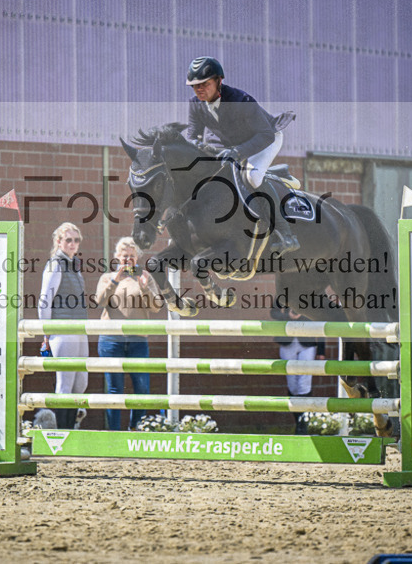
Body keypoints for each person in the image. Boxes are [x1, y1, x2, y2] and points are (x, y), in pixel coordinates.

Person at [184, 55, 299, 256]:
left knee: (252, 177)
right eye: (195, 86)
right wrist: (198, 147)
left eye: (205, 84)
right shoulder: (195, 104)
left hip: (265, 138)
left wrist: (237, 153)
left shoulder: (240, 100)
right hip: (231, 144)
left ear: (219, 81)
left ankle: (285, 234)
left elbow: (265, 135)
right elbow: (192, 136)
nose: (199, 89)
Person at [94, 237, 163, 430]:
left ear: (138, 257)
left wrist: (143, 287)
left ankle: (135, 429)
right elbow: (100, 301)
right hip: (111, 340)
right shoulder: (107, 277)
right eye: (124, 256)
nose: (128, 259)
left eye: (132, 256)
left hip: (137, 340)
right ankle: (114, 433)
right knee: (114, 388)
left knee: (141, 387)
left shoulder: (145, 277)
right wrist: (116, 280)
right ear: (117, 257)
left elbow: (156, 306)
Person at [38, 222, 89, 430]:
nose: (73, 244)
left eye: (76, 240)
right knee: (65, 384)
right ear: (58, 242)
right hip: (63, 330)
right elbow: (44, 301)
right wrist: (47, 334)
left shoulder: (73, 265)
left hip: (79, 329)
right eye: (68, 240)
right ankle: (62, 434)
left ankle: (72, 429)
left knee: (81, 384)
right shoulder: (55, 264)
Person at [272, 306, 325, 434]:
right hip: (287, 342)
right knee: (293, 385)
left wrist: (321, 349)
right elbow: (273, 312)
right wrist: (288, 316)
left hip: (307, 343)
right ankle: (298, 422)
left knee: (304, 382)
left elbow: (320, 318)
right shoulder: (282, 291)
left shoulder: (313, 290)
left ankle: (303, 423)